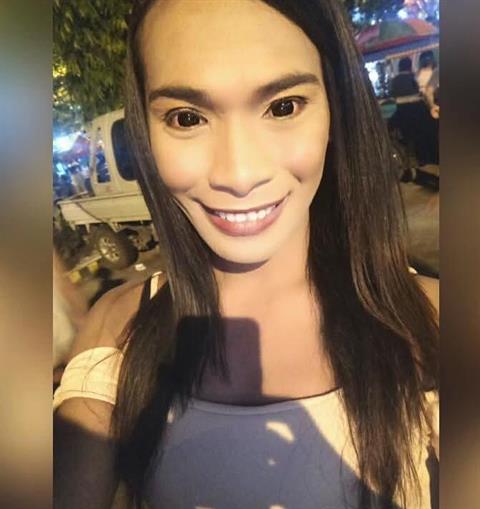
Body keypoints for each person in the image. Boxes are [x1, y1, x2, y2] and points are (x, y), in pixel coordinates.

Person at [53, 2, 439, 509]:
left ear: (336, 111)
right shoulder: (119, 330)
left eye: (283, 107)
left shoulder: (431, 319)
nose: (239, 175)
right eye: (187, 118)